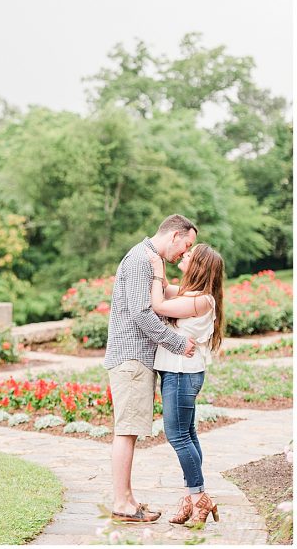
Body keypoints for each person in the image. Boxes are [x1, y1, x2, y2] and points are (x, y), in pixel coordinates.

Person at [104, 214, 198, 523]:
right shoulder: (139, 260)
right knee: (127, 431)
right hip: (130, 359)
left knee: (130, 431)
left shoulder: (148, 262)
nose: (184, 253)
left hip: (137, 360)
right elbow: (142, 314)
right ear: (173, 236)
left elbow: (160, 300)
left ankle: (128, 498)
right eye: (186, 245)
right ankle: (121, 503)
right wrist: (177, 343)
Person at [146, 242, 225, 526]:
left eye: (189, 255)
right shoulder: (191, 293)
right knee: (188, 435)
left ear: (199, 266)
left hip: (182, 373)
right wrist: (161, 268)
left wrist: (156, 270)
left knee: (178, 436)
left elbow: (158, 304)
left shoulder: (202, 300)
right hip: (177, 371)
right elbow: (166, 290)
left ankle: (199, 497)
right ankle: (191, 497)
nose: (184, 254)